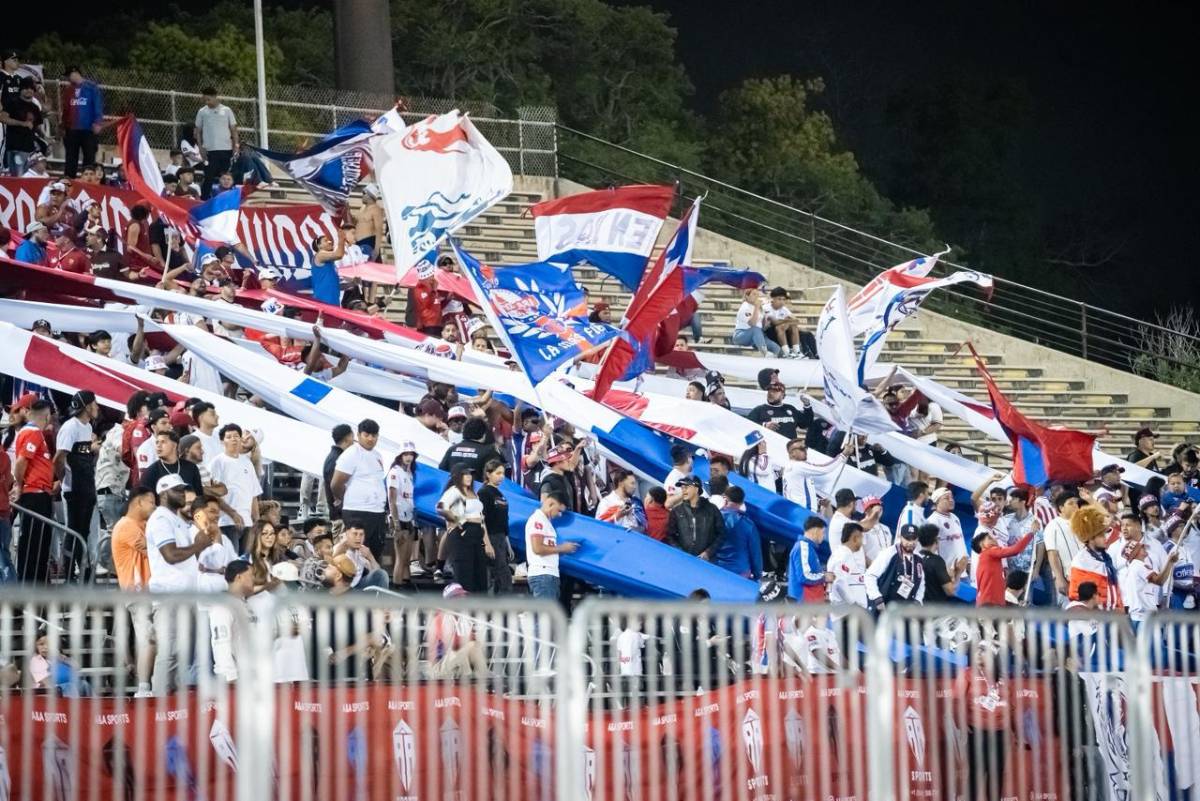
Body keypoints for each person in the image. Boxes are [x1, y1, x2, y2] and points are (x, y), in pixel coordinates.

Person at [146, 476, 216, 693]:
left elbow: (186, 558)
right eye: (178, 490)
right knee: (169, 653)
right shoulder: (160, 519)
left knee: (181, 654)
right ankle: (159, 704)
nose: (184, 495)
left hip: (185, 595)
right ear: (164, 493)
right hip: (169, 596)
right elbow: (171, 555)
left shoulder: (175, 518)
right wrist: (198, 546)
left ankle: (173, 705)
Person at [955, 642, 1014, 801]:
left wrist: (1013, 728)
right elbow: (957, 700)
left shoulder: (1003, 677)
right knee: (976, 774)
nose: (979, 655)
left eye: (983, 651)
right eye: (976, 652)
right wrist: (962, 723)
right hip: (977, 731)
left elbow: (1012, 705)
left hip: (1000, 733)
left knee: (996, 775)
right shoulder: (967, 673)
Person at [54, 391, 100, 582]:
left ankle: (83, 570)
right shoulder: (70, 427)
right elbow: (58, 458)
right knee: (73, 531)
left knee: (84, 531)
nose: (97, 408)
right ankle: (69, 572)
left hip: (87, 485)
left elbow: (85, 454)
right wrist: (64, 478)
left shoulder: (88, 426)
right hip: (74, 488)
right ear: (87, 406)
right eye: (95, 404)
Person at [331, 418, 388, 557]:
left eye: (374, 435)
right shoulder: (351, 454)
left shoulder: (378, 455)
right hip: (357, 511)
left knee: (374, 551)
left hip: (377, 511)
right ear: (359, 435)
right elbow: (336, 484)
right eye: (366, 435)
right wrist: (347, 498)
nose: (370, 439)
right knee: (355, 553)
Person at [13, 398, 55, 583]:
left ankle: (35, 583)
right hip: (35, 495)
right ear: (46, 417)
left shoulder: (32, 433)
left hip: (39, 493)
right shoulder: (34, 433)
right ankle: (31, 585)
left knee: (35, 543)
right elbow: (22, 461)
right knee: (34, 543)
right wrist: (20, 486)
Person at [207, 423, 261, 546]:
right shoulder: (217, 462)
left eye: (236, 436)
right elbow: (213, 493)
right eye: (229, 437)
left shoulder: (247, 463)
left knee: (245, 562)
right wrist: (232, 514)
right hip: (226, 521)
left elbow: (253, 494)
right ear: (222, 441)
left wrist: (257, 521)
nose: (233, 439)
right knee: (232, 562)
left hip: (248, 522)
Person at [525, 491, 578, 601]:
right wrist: (562, 548)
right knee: (545, 617)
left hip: (549, 574)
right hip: (543, 574)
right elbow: (537, 548)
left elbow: (546, 549)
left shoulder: (546, 522)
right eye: (559, 510)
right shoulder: (537, 520)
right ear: (550, 503)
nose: (559, 515)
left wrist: (564, 550)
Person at [1067, 504, 1122, 609]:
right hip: (1096, 618)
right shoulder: (1081, 561)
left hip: (1113, 616)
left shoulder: (1106, 557)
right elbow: (1076, 596)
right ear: (1091, 538)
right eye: (1101, 535)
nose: (1105, 538)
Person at [209, 560, 256, 683]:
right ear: (239, 577)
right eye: (251, 575)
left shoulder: (245, 604)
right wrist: (231, 678)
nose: (254, 579)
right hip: (234, 681)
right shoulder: (222, 605)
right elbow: (221, 643)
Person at [972, 521, 1037, 607]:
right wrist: (1031, 533)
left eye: (993, 537)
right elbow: (1015, 550)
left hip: (987, 605)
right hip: (990, 606)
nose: (994, 539)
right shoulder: (989, 552)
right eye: (990, 538)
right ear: (982, 545)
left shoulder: (985, 559)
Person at [865, 524, 926, 609]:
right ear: (900, 537)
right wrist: (877, 598)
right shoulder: (889, 553)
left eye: (914, 539)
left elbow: (921, 583)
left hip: (904, 610)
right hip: (884, 606)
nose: (911, 543)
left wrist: (918, 601)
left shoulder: (918, 558)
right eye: (907, 539)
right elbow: (870, 575)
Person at [59, 66, 105, 178]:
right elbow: (66, 109)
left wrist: (98, 122)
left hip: (88, 129)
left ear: (75, 73)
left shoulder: (92, 87)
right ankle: (68, 181)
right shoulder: (68, 90)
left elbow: (98, 106)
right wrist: (63, 126)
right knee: (70, 158)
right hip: (72, 129)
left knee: (89, 158)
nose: (68, 79)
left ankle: (87, 182)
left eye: (69, 76)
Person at [194, 88, 239, 199]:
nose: (207, 102)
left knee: (227, 176)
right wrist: (200, 147)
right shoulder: (202, 112)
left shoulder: (226, 110)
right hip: (210, 150)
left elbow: (233, 129)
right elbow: (198, 131)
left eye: (209, 99)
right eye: (205, 100)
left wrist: (236, 145)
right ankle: (204, 199)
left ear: (215, 97)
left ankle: (230, 198)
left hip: (226, 149)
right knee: (209, 177)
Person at [665, 476, 725, 559]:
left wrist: (708, 552)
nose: (683, 490)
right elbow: (670, 535)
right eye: (682, 487)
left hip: (707, 562)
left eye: (686, 487)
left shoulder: (712, 509)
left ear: (696, 489)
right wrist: (679, 552)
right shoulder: (677, 511)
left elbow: (721, 534)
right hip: (683, 560)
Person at [478, 459, 513, 594]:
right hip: (490, 537)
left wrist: (507, 542)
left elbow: (503, 520)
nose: (501, 477)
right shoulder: (484, 493)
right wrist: (487, 543)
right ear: (488, 474)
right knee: (500, 577)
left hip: (500, 538)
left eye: (503, 473)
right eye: (498, 473)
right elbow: (481, 520)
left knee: (502, 577)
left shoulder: (500, 494)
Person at [713, 486, 763, 579]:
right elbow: (755, 553)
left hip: (716, 570)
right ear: (741, 502)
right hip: (741, 573)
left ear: (725, 499)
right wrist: (757, 575)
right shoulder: (748, 525)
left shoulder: (712, 518)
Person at [386, 443, 418, 588]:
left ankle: (406, 584)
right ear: (400, 456)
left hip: (410, 517)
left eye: (411, 454)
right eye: (405, 454)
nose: (408, 457)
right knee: (400, 558)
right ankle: (396, 588)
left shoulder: (411, 473)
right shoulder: (394, 472)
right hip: (399, 518)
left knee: (406, 558)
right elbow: (392, 499)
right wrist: (396, 521)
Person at [1043, 491, 1083, 605]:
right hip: (1069, 577)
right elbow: (1052, 554)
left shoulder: (1082, 522)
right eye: (1071, 503)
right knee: (1072, 613)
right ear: (1061, 508)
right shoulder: (1053, 526)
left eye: (1076, 503)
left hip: (1087, 574)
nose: (1075, 506)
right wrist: (1059, 579)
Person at [138, 430, 204, 497]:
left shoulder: (191, 468)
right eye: (157, 442)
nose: (158, 446)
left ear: (174, 445)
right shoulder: (150, 472)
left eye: (163, 442)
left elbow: (199, 496)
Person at [917, 523, 966, 605]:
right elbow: (950, 591)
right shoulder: (936, 561)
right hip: (937, 611)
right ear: (935, 540)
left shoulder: (914, 558)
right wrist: (959, 572)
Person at [438, 417, 502, 480]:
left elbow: (441, 472)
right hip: (476, 489)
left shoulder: (452, 449)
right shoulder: (488, 452)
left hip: (452, 488)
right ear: (484, 434)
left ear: (464, 431)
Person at [1, 77, 41, 176]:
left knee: (27, 177)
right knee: (17, 177)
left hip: (30, 149)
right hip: (15, 147)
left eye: (31, 88)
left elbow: (38, 126)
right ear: (21, 89)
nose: (29, 91)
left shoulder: (35, 107)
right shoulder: (12, 103)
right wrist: (22, 123)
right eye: (26, 88)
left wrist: (46, 139)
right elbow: (3, 118)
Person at [747, 381, 813, 440]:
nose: (771, 393)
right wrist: (764, 425)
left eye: (775, 391)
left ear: (783, 395)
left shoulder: (790, 409)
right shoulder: (759, 410)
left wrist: (807, 405)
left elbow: (805, 423)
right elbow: (746, 427)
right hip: (770, 450)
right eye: (770, 391)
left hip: (789, 450)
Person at [762, 287, 815, 358]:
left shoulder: (784, 309)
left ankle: (797, 351)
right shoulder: (766, 307)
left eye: (783, 299)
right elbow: (775, 322)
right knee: (781, 326)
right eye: (779, 299)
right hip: (768, 333)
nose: (782, 302)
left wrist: (787, 322)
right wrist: (787, 320)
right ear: (773, 298)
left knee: (794, 326)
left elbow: (796, 321)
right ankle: (787, 352)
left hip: (781, 331)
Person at [827, 522, 869, 610]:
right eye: (861, 538)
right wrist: (853, 604)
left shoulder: (847, 555)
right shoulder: (842, 556)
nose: (862, 543)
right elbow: (839, 581)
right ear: (854, 538)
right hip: (846, 612)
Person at [787, 517, 828, 602]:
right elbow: (804, 576)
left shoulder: (808, 548)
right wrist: (825, 576)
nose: (823, 536)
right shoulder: (803, 547)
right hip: (805, 602)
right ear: (816, 531)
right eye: (823, 532)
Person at [731, 286, 781, 356]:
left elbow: (763, 327)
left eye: (757, 294)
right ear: (747, 296)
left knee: (776, 348)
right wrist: (757, 307)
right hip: (741, 335)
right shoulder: (745, 307)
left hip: (757, 335)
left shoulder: (758, 307)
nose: (756, 297)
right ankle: (765, 353)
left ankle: (770, 361)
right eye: (754, 294)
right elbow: (753, 324)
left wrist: (766, 319)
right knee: (755, 329)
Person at [925, 487, 967, 568]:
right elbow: (930, 550)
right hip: (946, 571)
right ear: (937, 502)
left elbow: (961, 542)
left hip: (962, 570)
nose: (951, 500)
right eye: (946, 498)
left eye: (952, 497)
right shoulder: (932, 521)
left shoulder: (955, 518)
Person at [310, 227, 352, 305]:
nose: (330, 242)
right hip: (323, 304)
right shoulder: (320, 254)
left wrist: (352, 283)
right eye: (325, 241)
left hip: (333, 304)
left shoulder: (331, 264)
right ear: (319, 246)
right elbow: (339, 254)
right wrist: (341, 238)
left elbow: (335, 285)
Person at [323, 423, 353, 521]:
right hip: (340, 516)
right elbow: (335, 488)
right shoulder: (336, 459)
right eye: (352, 436)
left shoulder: (339, 457)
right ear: (347, 438)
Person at [355, 184, 386, 260]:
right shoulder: (362, 208)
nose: (362, 196)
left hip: (369, 243)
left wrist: (376, 249)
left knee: (370, 270)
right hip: (358, 244)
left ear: (369, 195)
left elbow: (379, 230)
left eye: (363, 193)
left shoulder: (376, 209)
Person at [860, 496, 894, 564]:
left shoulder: (886, 528)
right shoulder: (861, 527)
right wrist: (873, 567)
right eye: (873, 506)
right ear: (866, 510)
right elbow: (860, 553)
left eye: (878, 505)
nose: (878, 509)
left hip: (886, 567)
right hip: (870, 569)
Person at [663, 444, 695, 509]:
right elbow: (667, 503)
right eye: (691, 457)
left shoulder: (687, 476)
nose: (693, 461)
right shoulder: (673, 478)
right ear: (688, 459)